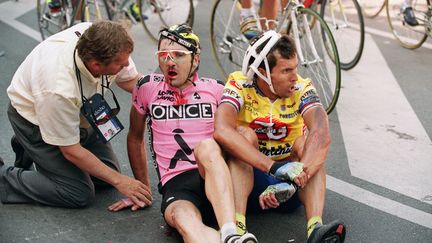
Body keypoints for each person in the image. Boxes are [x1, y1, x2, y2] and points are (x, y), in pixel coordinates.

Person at [108, 24, 257, 243]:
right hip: (177, 184)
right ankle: (229, 239)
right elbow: (135, 137)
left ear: (195, 59)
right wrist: (143, 189)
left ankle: (231, 229)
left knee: (217, 143)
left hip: (215, 173)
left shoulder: (216, 89)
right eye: (164, 55)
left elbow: (239, 140)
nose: (169, 61)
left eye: (178, 55)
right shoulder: (146, 87)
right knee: (184, 221)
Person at [194, 31, 346, 242]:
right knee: (242, 135)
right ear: (263, 73)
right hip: (249, 178)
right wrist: (273, 167)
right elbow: (222, 130)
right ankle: (238, 228)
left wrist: (292, 182)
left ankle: (315, 229)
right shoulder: (239, 84)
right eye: (286, 71)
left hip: (290, 186)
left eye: (295, 68)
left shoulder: (301, 86)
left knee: (306, 142)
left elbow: (322, 134)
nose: (295, 77)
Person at [0, 20, 152, 209]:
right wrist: (122, 182)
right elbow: (70, 150)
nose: (127, 64)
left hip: (80, 112)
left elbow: (131, 81)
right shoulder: (57, 88)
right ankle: (6, 176)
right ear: (96, 65)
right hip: (34, 119)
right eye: (120, 64)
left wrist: (164, 95)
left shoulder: (103, 37)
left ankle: (35, 150)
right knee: (77, 193)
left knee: (105, 177)